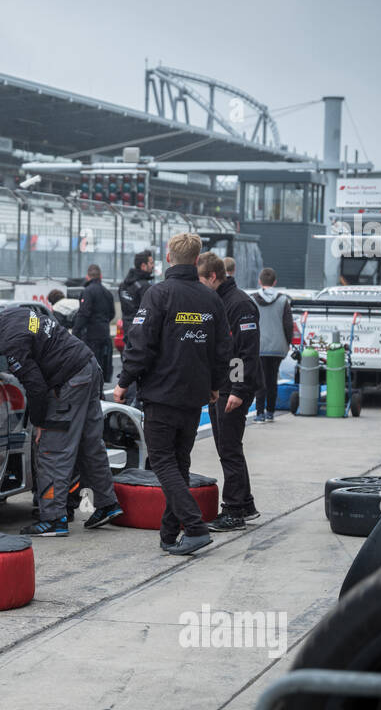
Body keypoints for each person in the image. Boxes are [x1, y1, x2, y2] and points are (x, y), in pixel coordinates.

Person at [0, 305, 122, 537]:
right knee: (89, 443)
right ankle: (107, 504)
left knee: (51, 451)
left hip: (69, 380)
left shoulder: (9, 342)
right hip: (87, 366)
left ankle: (54, 519)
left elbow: (35, 387)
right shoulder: (12, 315)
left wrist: (39, 423)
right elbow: (31, 349)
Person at [113, 233, 230, 555]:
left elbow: (141, 344)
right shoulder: (211, 299)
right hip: (195, 396)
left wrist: (123, 382)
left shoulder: (158, 294)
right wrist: (215, 385)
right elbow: (223, 350)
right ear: (196, 260)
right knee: (178, 463)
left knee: (162, 462)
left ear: (169, 257)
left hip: (163, 394)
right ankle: (168, 534)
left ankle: (194, 525)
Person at [197, 252, 261, 531]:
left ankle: (234, 510)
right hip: (223, 385)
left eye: (200, 280)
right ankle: (245, 503)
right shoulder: (218, 300)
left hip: (235, 387)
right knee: (227, 447)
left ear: (212, 277)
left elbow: (245, 352)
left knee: (229, 448)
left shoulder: (240, 304)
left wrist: (236, 389)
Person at [251, 267, 294, 422]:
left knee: (259, 380)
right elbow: (288, 325)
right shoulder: (283, 300)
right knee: (272, 380)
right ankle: (270, 412)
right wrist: (287, 342)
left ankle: (259, 413)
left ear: (259, 281)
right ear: (275, 282)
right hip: (277, 347)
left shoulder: (253, 299)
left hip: (259, 346)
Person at [73, 264, 115, 382]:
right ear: (100, 276)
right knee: (103, 365)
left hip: (91, 336)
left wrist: (75, 332)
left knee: (91, 366)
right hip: (105, 334)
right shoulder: (107, 293)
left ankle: (95, 393)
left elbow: (83, 314)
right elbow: (112, 314)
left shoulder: (88, 291)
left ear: (87, 277)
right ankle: (100, 391)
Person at [118, 250, 156, 343]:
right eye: (151, 263)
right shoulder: (145, 287)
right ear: (143, 266)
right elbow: (151, 313)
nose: (153, 266)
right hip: (141, 336)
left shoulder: (123, 285)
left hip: (127, 333)